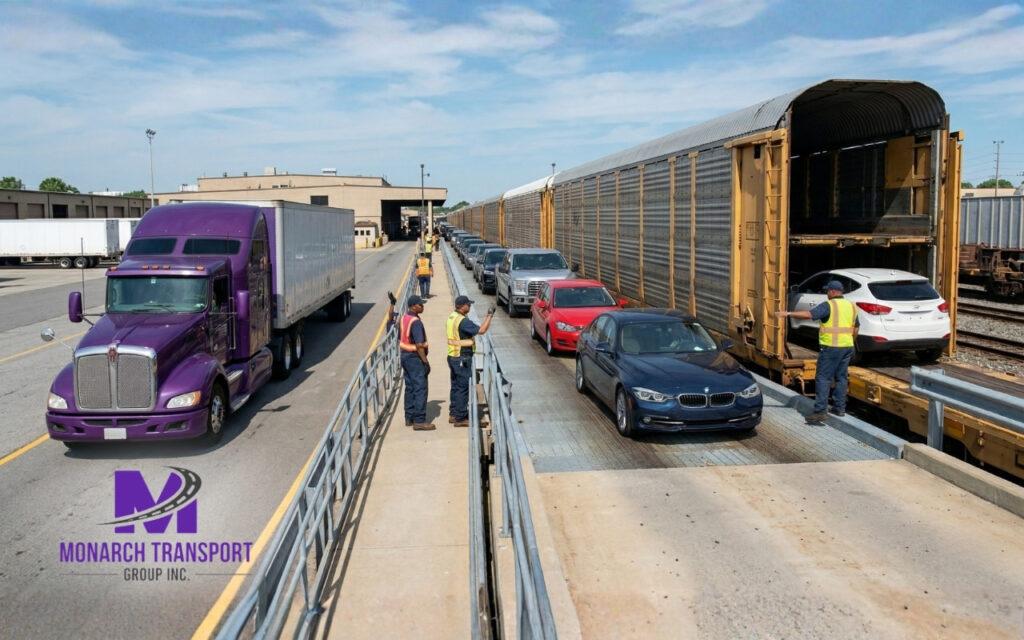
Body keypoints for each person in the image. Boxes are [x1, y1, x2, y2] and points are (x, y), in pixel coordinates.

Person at [776, 279, 859, 424]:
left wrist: (788, 314)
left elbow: (809, 315)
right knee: (841, 377)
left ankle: (820, 411)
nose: (827, 293)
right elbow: (856, 327)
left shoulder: (829, 305)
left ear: (833, 292)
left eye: (827, 291)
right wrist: (850, 340)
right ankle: (839, 408)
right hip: (847, 347)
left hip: (831, 347)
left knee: (823, 378)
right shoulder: (851, 306)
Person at [446, 295, 495, 427]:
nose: (470, 306)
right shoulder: (463, 321)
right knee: (462, 388)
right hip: (462, 358)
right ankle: (461, 418)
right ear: (462, 306)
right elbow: (482, 330)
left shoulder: (452, 317)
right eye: (468, 304)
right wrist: (489, 315)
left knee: (456, 387)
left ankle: (453, 413)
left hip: (452, 356)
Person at [400, 295, 434, 430]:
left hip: (404, 356)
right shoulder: (416, 322)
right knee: (420, 388)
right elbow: (419, 344)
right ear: (413, 306)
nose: (422, 306)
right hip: (415, 359)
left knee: (410, 388)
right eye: (420, 305)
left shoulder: (404, 318)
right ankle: (419, 420)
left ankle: (409, 417)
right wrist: (425, 362)